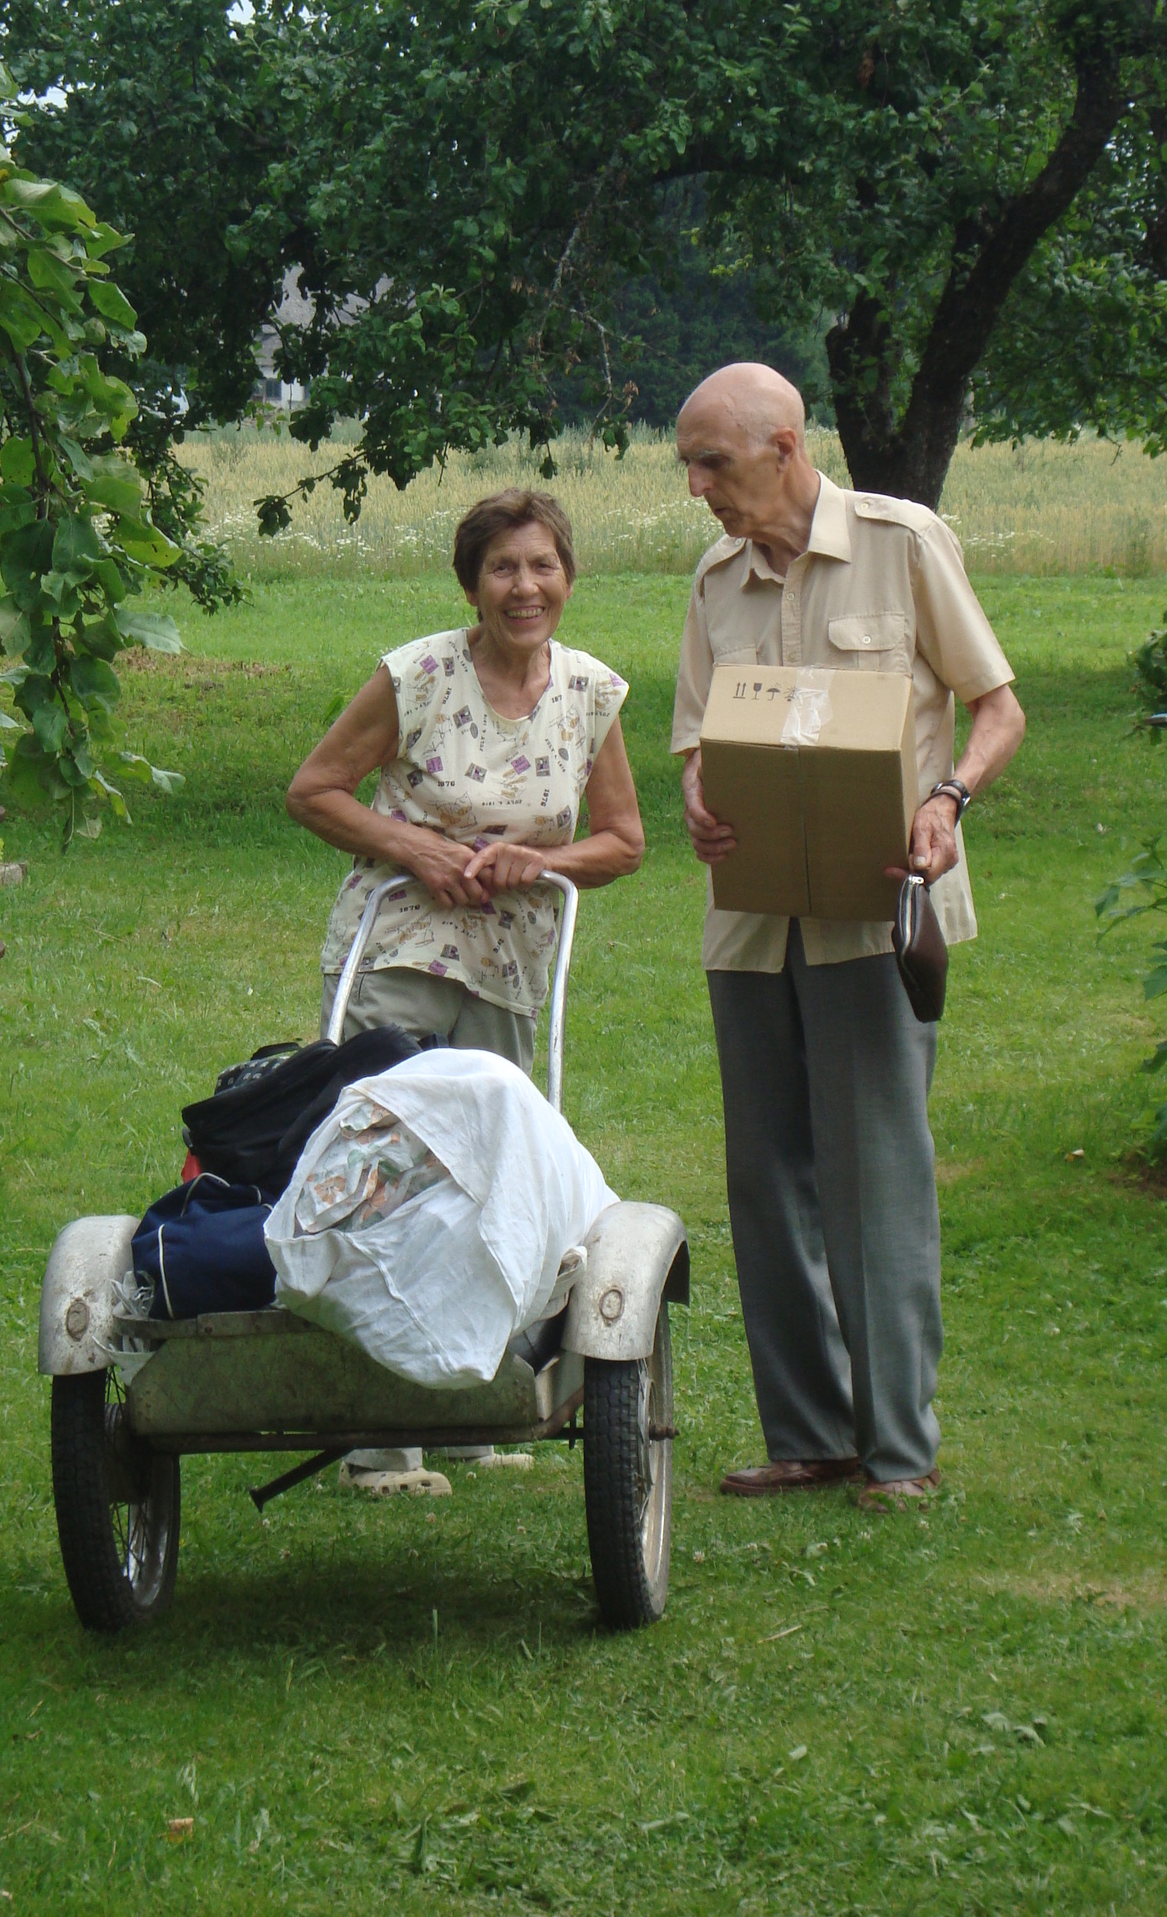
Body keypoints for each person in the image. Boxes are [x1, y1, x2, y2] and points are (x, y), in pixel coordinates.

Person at [671, 364, 1025, 1509]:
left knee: (876, 1181)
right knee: (767, 1183)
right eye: (688, 465)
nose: (697, 487)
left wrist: (948, 802)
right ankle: (808, 1435)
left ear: (784, 446)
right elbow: (696, 739)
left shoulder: (900, 542)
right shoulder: (715, 579)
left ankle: (899, 1451)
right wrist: (697, 798)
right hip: (752, 923)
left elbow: (997, 706)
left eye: (713, 462)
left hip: (878, 915)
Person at [287, 488, 644, 1491]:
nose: (525, 587)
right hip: (400, 949)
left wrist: (544, 862)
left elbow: (624, 841)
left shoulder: (591, 693)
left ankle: (462, 1412)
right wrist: (418, 848)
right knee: (387, 1171)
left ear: (568, 577)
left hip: (511, 966)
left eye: (543, 565)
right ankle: (377, 1436)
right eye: (503, 568)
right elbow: (313, 790)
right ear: (471, 584)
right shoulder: (418, 675)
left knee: (495, 1178)